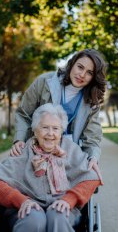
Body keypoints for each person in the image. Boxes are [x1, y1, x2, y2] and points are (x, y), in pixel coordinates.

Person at [0, 103, 102, 232]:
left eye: (55, 128)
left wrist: (69, 199)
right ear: (35, 130)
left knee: (58, 214)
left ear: (62, 130)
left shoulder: (71, 149)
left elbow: (91, 178)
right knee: (33, 218)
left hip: (63, 206)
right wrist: (21, 200)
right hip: (27, 207)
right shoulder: (23, 151)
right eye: (45, 127)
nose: (50, 133)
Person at [11, 49, 107, 180]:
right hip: (37, 148)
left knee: (91, 177)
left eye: (89, 73)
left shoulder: (92, 100)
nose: (82, 74)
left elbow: (92, 137)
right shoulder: (44, 82)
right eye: (80, 67)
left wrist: (93, 158)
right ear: (72, 64)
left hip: (69, 154)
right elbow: (23, 113)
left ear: (94, 77)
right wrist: (19, 140)